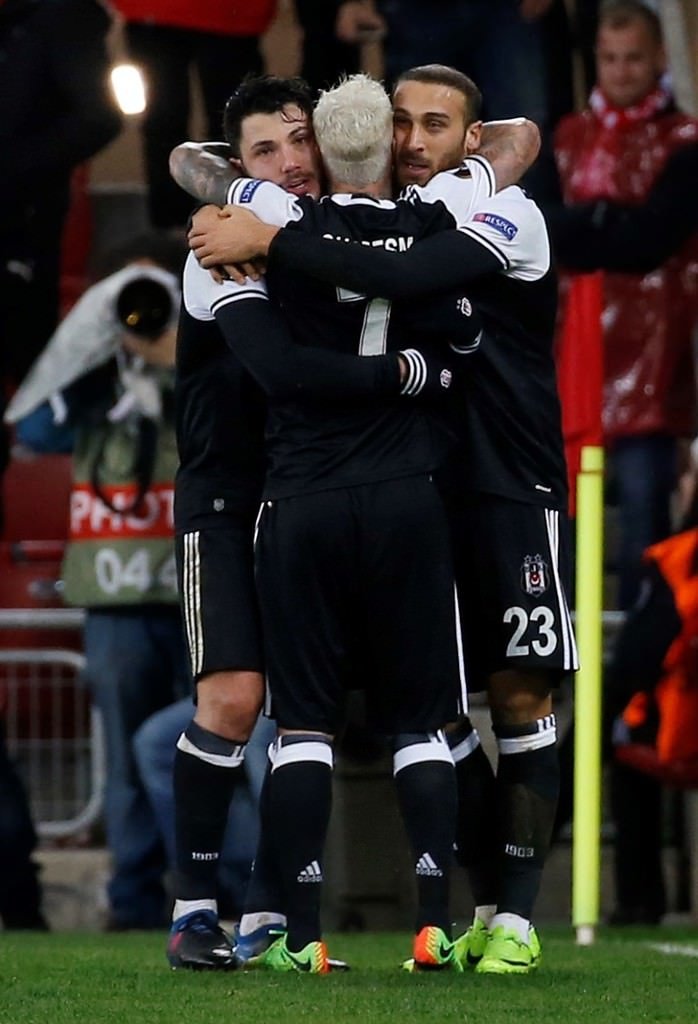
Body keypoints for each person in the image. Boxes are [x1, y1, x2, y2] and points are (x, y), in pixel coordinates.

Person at [189, 63, 576, 975]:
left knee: (519, 701)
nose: (412, 140)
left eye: (435, 124)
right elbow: (185, 159)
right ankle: (469, 911)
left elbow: (412, 267)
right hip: (425, 485)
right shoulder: (398, 209)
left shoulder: (502, 211)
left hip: (510, 482)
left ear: (470, 142)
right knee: (435, 717)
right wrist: (246, 199)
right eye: (399, 122)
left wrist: (267, 231)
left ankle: (515, 923)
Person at [7, 233, 191, 930]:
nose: (141, 311)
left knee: (209, 751)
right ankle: (135, 902)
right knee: (126, 760)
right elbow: (31, 429)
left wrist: (179, 357)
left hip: (198, 594)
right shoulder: (87, 380)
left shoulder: (207, 366)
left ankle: (217, 894)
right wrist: (90, 348)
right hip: (115, 598)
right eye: (126, 296)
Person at [552, 0, 698, 610]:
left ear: (660, 57)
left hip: (654, 356)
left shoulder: (685, 142)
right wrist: (604, 220)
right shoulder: (567, 135)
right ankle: (563, 641)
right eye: (609, 58)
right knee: (562, 512)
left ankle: (643, 652)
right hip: (576, 348)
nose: (620, 70)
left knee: (643, 511)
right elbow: (543, 232)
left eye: (633, 57)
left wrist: (587, 223)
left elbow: (650, 240)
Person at [0, 0, 121, 389]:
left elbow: (99, 116)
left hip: (24, 213)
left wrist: (16, 166)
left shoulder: (62, 17)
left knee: (25, 342)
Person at [111, 1, 277, 228]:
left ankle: (238, 220)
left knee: (237, 125)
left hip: (229, 14)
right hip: (161, 13)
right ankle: (177, 228)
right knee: (167, 123)